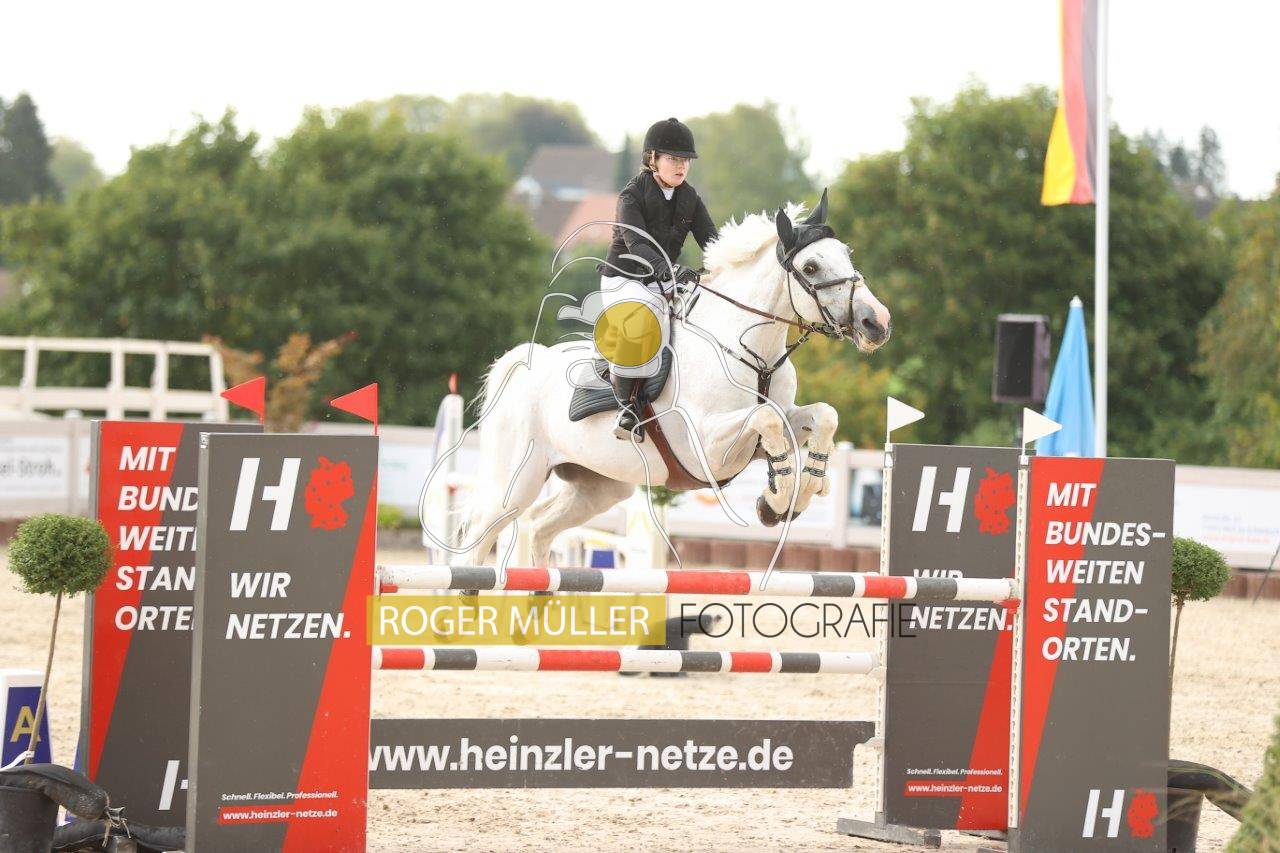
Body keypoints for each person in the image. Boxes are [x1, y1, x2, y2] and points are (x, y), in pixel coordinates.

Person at [598, 117, 719, 441]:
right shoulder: (631, 196)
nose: (681, 166)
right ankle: (628, 407)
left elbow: (712, 241)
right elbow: (637, 245)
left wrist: (729, 265)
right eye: (673, 159)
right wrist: (672, 271)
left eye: (686, 160)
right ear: (652, 159)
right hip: (625, 278)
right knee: (641, 318)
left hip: (663, 280)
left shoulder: (690, 197)